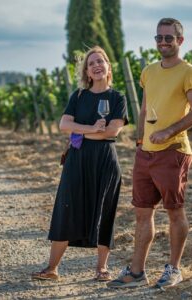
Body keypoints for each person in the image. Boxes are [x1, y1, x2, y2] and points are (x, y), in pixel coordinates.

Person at [108, 17, 192, 288]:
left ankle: (174, 269)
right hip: (145, 153)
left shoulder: (189, 72)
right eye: (159, 38)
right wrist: (140, 139)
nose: (163, 42)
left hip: (173, 152)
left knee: (175, 212)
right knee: (142, 214)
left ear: (180, 41)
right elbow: (145, 107)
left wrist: (169, 132)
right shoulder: (149, 71)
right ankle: (137, 272)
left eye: (169, 38)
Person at [31, 46, 128, 281]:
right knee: (67, 208)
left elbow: (112, 131)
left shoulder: (117, 98)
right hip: (77, 160)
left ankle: (101, 269)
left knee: (104, 211)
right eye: (91, 63)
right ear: (86, 70)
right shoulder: (79, 96)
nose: (96, 66)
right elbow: (64, 125)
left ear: (108, 66)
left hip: (105, 161)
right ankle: (52, 268)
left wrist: (81, 133)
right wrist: (92, 129)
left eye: (100, 61)